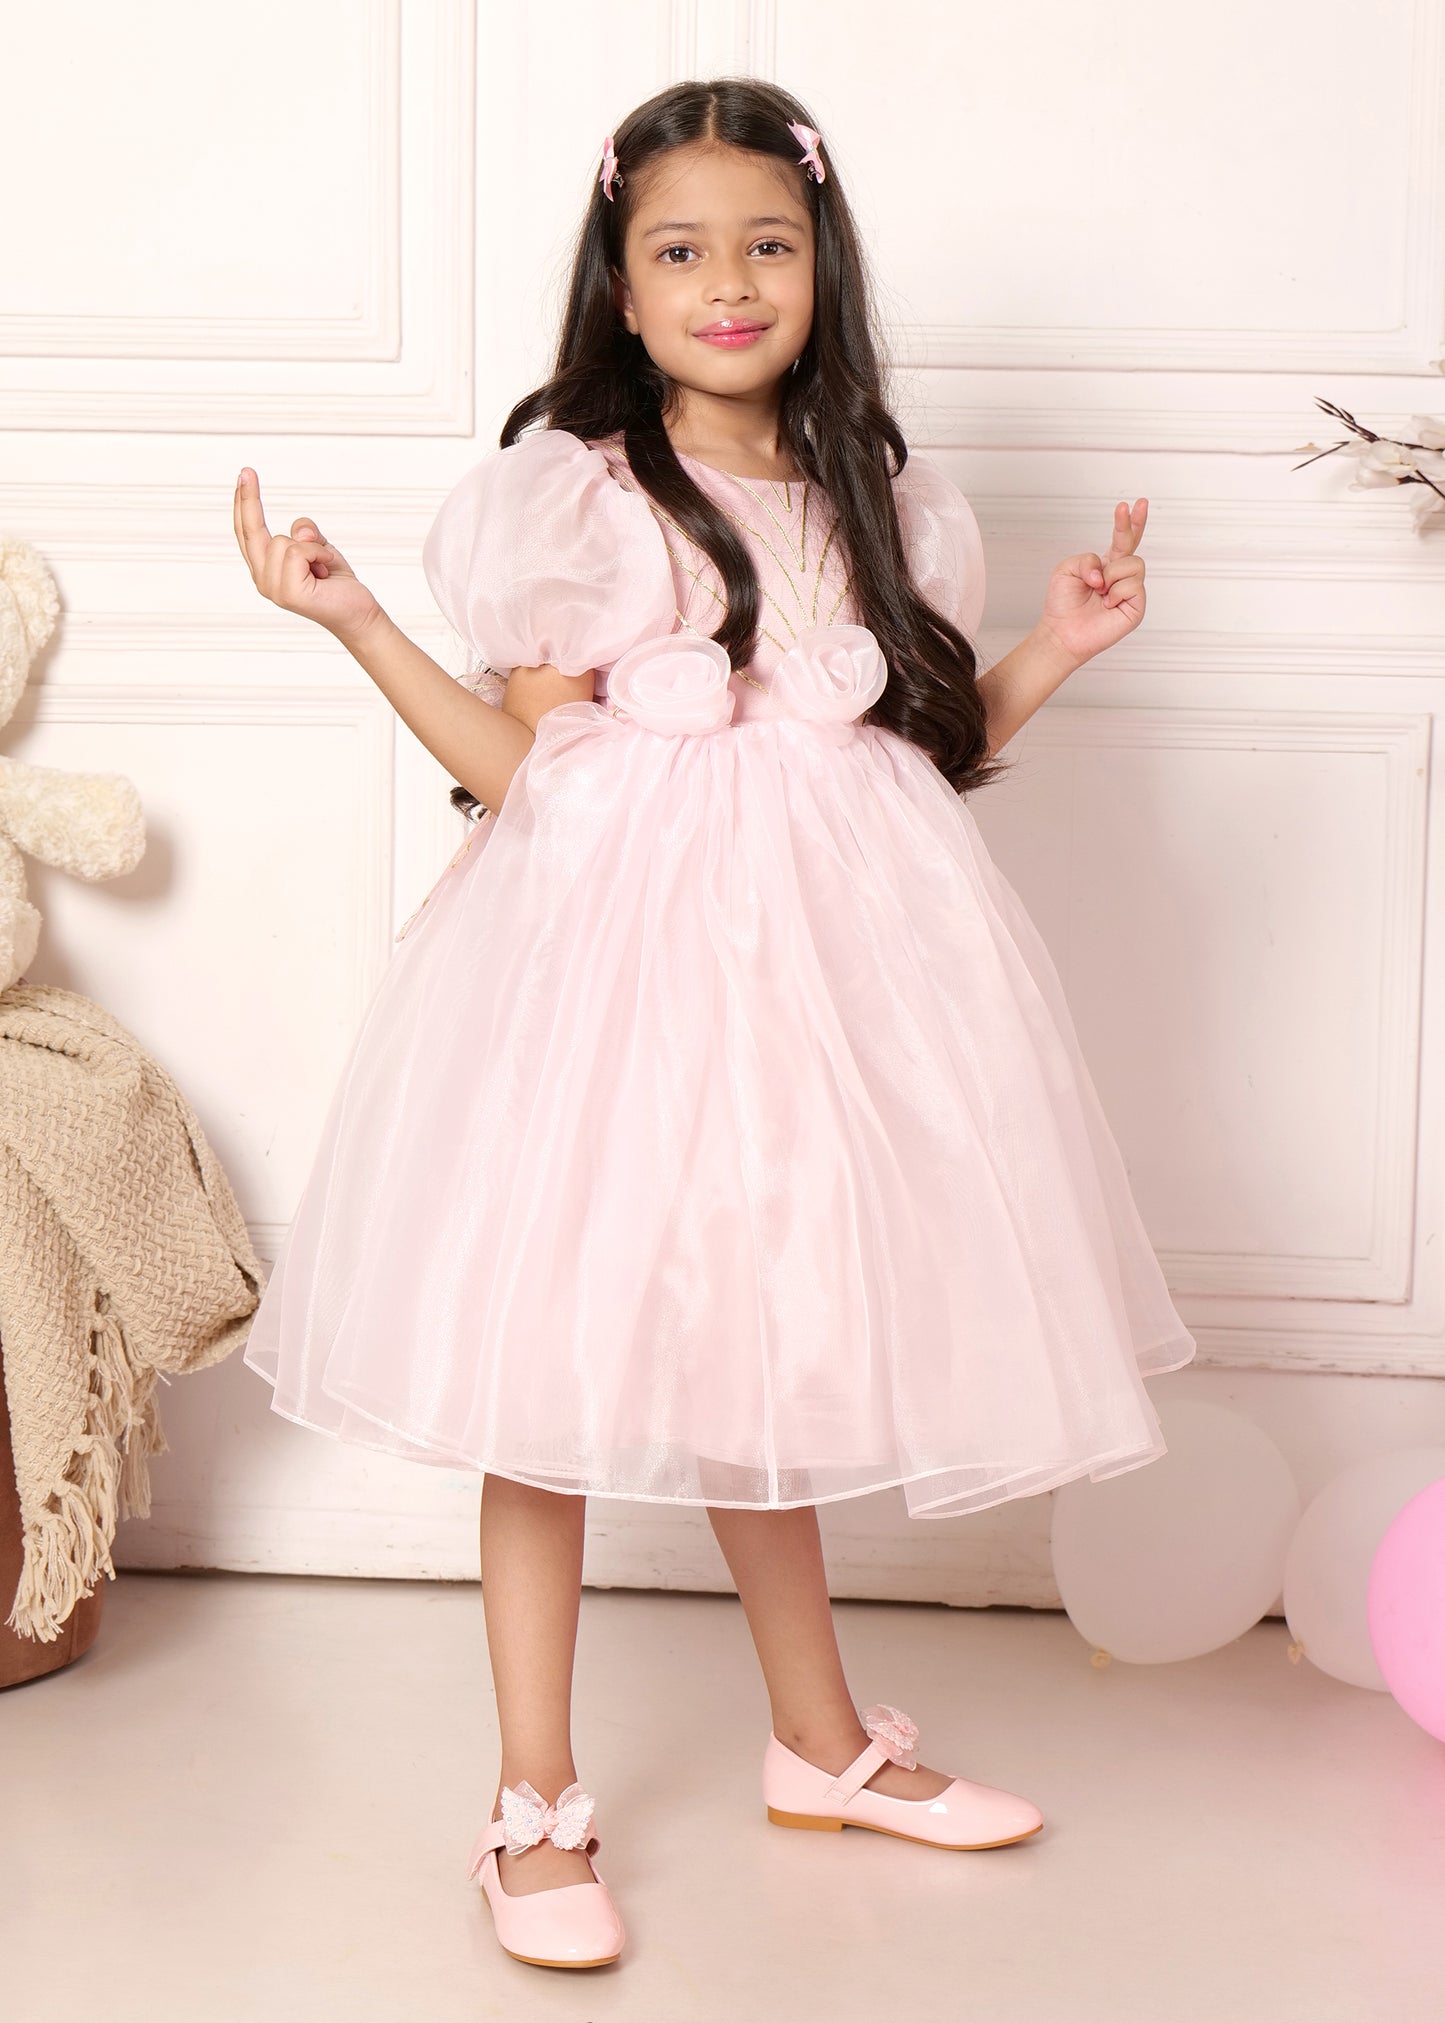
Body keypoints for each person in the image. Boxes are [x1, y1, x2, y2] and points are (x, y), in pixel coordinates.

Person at [233, 76, 1195, 1973]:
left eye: (765, 244)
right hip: (607, 978)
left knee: (780, 1347)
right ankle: (529, 1799)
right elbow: (522, 764)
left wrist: (1057, 651)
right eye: (681, 249)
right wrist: (355, 622)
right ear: (622, 275)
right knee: (551, 1367)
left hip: (824, 989)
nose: (727, 281)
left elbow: (912, 754)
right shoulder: (573, 497)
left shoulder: (879, 492)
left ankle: (819, 1742)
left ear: (818, 262)